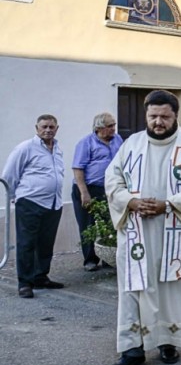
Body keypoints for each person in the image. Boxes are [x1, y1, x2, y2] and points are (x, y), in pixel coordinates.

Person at [104, 90, 181, 365]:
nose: (158, 122)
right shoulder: (132, 144)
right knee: (133, 288)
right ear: (146, 115)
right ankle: (132, 348)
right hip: (136, 229)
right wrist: (131, 201)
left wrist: (168, 204)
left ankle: (167, 342)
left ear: (176, 115)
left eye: (165, 116)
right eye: (153, 116)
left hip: (172, 231)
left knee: (170, 287)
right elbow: (112, 178)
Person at [3, 114, 66, 298]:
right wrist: (16, 197)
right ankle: (25, 283)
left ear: (57, 128)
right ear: (36, 128)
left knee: (46, 243)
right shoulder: (25, 148)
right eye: (44, 127)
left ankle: (40, 277)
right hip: (30, 203)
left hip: (53, 203)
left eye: (51, 127)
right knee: (27, 244)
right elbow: (9, 175)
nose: (48, 130)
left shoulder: (57, 148)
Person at [71, 112, 124, 271]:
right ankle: (90, 260)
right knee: (88, 224)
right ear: (99, 128)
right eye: (109, 126)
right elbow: (78, 168)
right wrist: (84, 192)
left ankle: (107, 257)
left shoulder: (118, 139)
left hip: (110, 188)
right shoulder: (86, 143)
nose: (113, 128)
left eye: (114, 125)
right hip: (88, 188)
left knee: (109, 222)